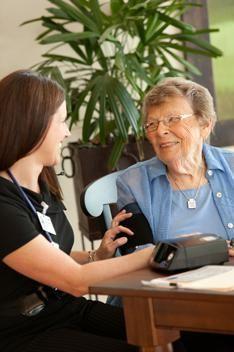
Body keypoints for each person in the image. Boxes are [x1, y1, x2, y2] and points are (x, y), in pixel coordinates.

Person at [0, 69, 155, 352]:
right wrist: (154, 254)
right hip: (22, 332)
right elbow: (74, 281)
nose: (68, 131)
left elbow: (45, 252)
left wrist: (97, 255)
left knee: (162, 330)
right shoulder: (3, 206)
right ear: (33, 124)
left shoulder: (41, 184)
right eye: (62, 121)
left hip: (65, 309)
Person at [115, 77, 234, 351]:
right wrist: (218, 253)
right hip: (168, 307)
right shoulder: (132, 183)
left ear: (205, 124)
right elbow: (139, 254)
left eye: (172, 119)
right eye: (152, 124)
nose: (161, 131)